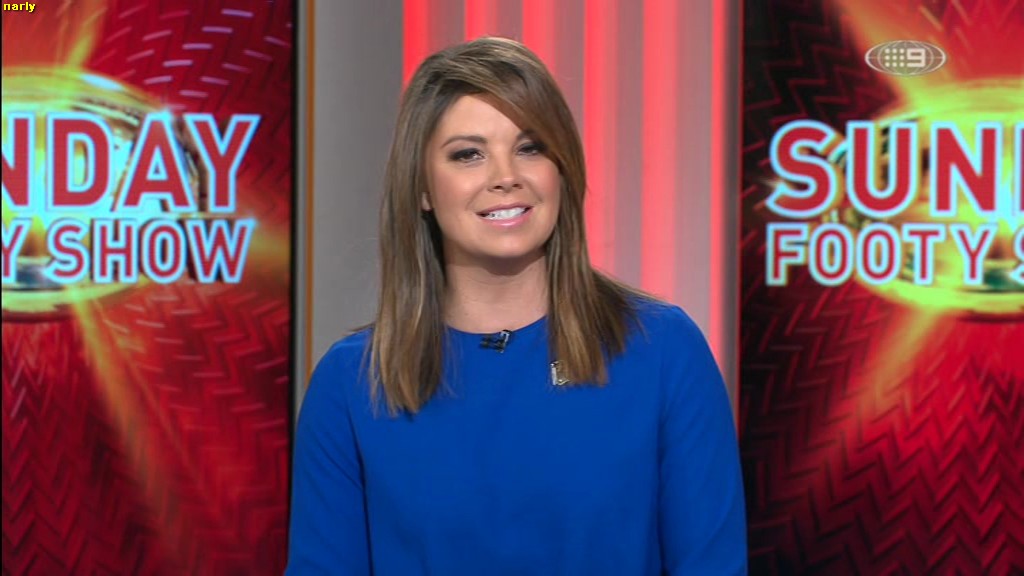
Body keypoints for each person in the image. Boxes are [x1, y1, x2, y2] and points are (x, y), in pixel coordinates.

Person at [287, 37, 746, 575]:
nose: (506, 176)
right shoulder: (352, 383)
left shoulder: (662, 350)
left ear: (561, 169)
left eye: (530, 147)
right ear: (423, 189)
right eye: (469, 154)